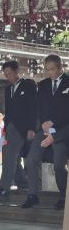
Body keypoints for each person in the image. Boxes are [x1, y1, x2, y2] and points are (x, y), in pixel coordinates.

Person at [22, 55, 69, 210]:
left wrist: (53, 123)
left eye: (52, 69)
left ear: (60, 68)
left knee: (58, 165)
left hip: (62, 132)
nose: (49, 73)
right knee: (30, 160)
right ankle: (33, 195)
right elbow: (39, 107)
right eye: (47, 70)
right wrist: (42, 123)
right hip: (44, 129)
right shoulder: (42, 85)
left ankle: (64, 196)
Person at [0, 61, 37, 196]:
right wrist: (5, 130)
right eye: (6, 75)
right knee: (8, 154)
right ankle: (22, 183)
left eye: (10, 73)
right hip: (11, 127)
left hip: (24, 126)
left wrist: (31, 127)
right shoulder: (7, 89)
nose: (8, 77)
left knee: (11, 154)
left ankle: (3, 187)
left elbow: (33, 107)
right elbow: (9, 111)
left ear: (17, 71)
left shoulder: (28, 85)